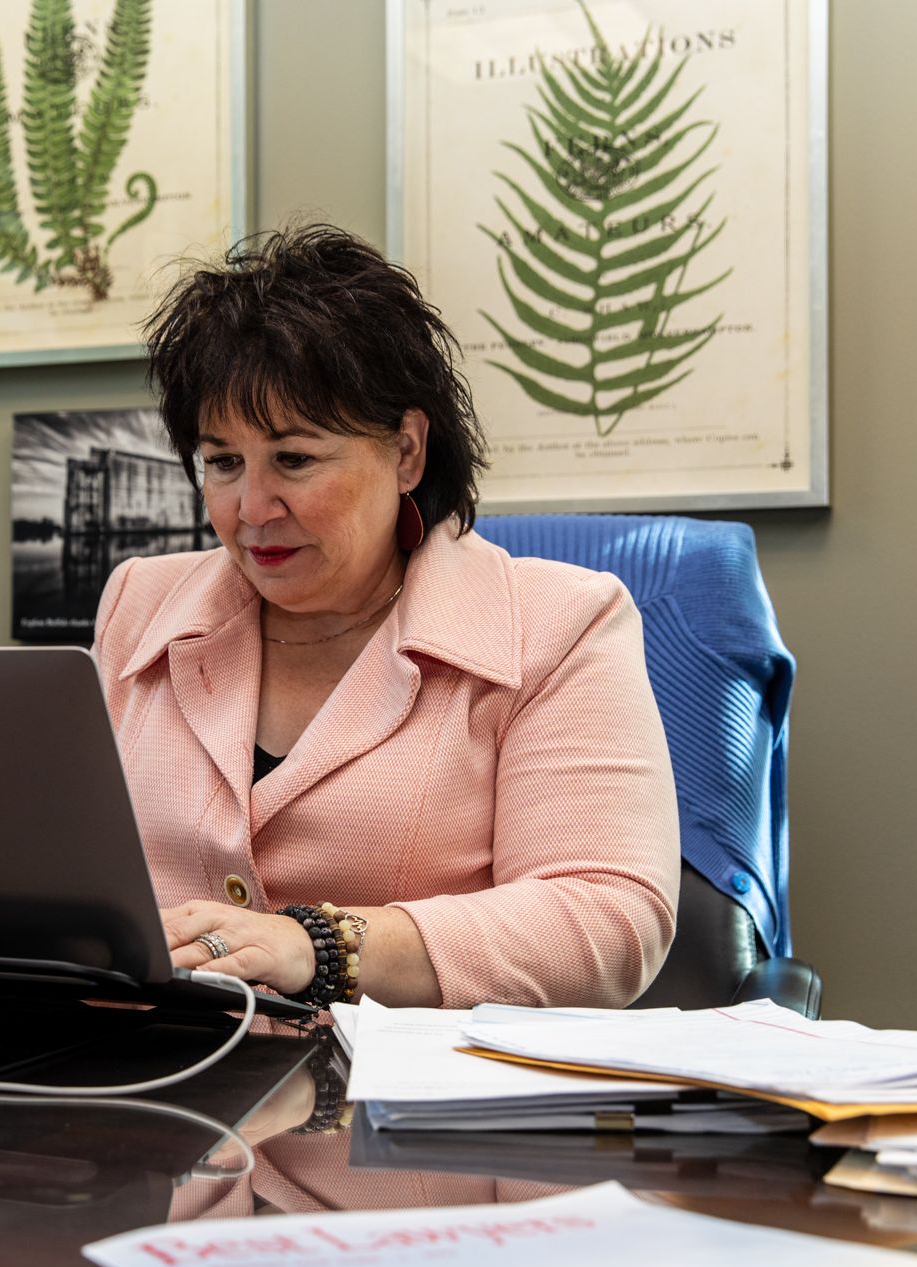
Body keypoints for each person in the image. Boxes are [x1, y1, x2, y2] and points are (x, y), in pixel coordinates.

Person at [92, 225, 678, 1011]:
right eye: (223, 462)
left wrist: (322, 944)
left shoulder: (561, 624)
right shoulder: (140, 603)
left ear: (407, 450)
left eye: (294, 459)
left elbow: (608, 917)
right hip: (153, 1092)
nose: (250, 509)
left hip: (402, 1115)